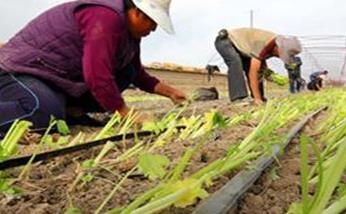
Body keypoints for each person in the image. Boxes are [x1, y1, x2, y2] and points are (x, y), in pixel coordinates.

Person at [0, 0, 186, 135]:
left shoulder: (130, 35)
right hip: (21, 70)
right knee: (41, 111)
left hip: (55, 79)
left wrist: (170, 92)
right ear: (137, 11)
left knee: (125, 72)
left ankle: (70, 108)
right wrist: (125, 113)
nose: (153, 30)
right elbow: (97, 75)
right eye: (152, 22)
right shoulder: (105, 17)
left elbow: (136, 73)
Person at [214, 28, 302, 105]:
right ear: (279, 47)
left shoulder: (273, 45)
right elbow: (253, 73)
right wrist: (257, 99)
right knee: (236, 63)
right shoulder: (263, 43)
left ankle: (259, 96)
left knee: (258, 70)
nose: (280, 57)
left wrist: (268, 73)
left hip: (242, 50)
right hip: (225, 41)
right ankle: (239, 98)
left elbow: (261, 65)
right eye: (282, 54)